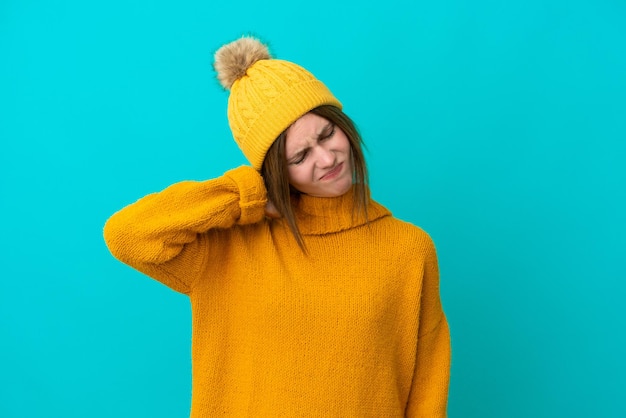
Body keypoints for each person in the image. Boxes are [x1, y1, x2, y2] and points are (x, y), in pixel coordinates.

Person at [104, 35, 451, 417]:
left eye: (326, 134)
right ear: (275, 172)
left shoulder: (408, 249)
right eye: (299, 156)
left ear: (342, 124)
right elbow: (128, 235)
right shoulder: (227, 249)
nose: (326, 157)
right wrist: (245, 193)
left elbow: (427, 384)